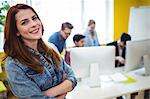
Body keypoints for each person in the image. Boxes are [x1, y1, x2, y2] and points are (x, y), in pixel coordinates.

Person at [3, 4, 77, 99]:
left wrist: (46, 93)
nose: (34, 24)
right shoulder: (13, 64)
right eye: (24, 22)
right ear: (16, 31)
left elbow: (72, 77)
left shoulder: (51, 49)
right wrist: (63, 91)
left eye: (34, 18)